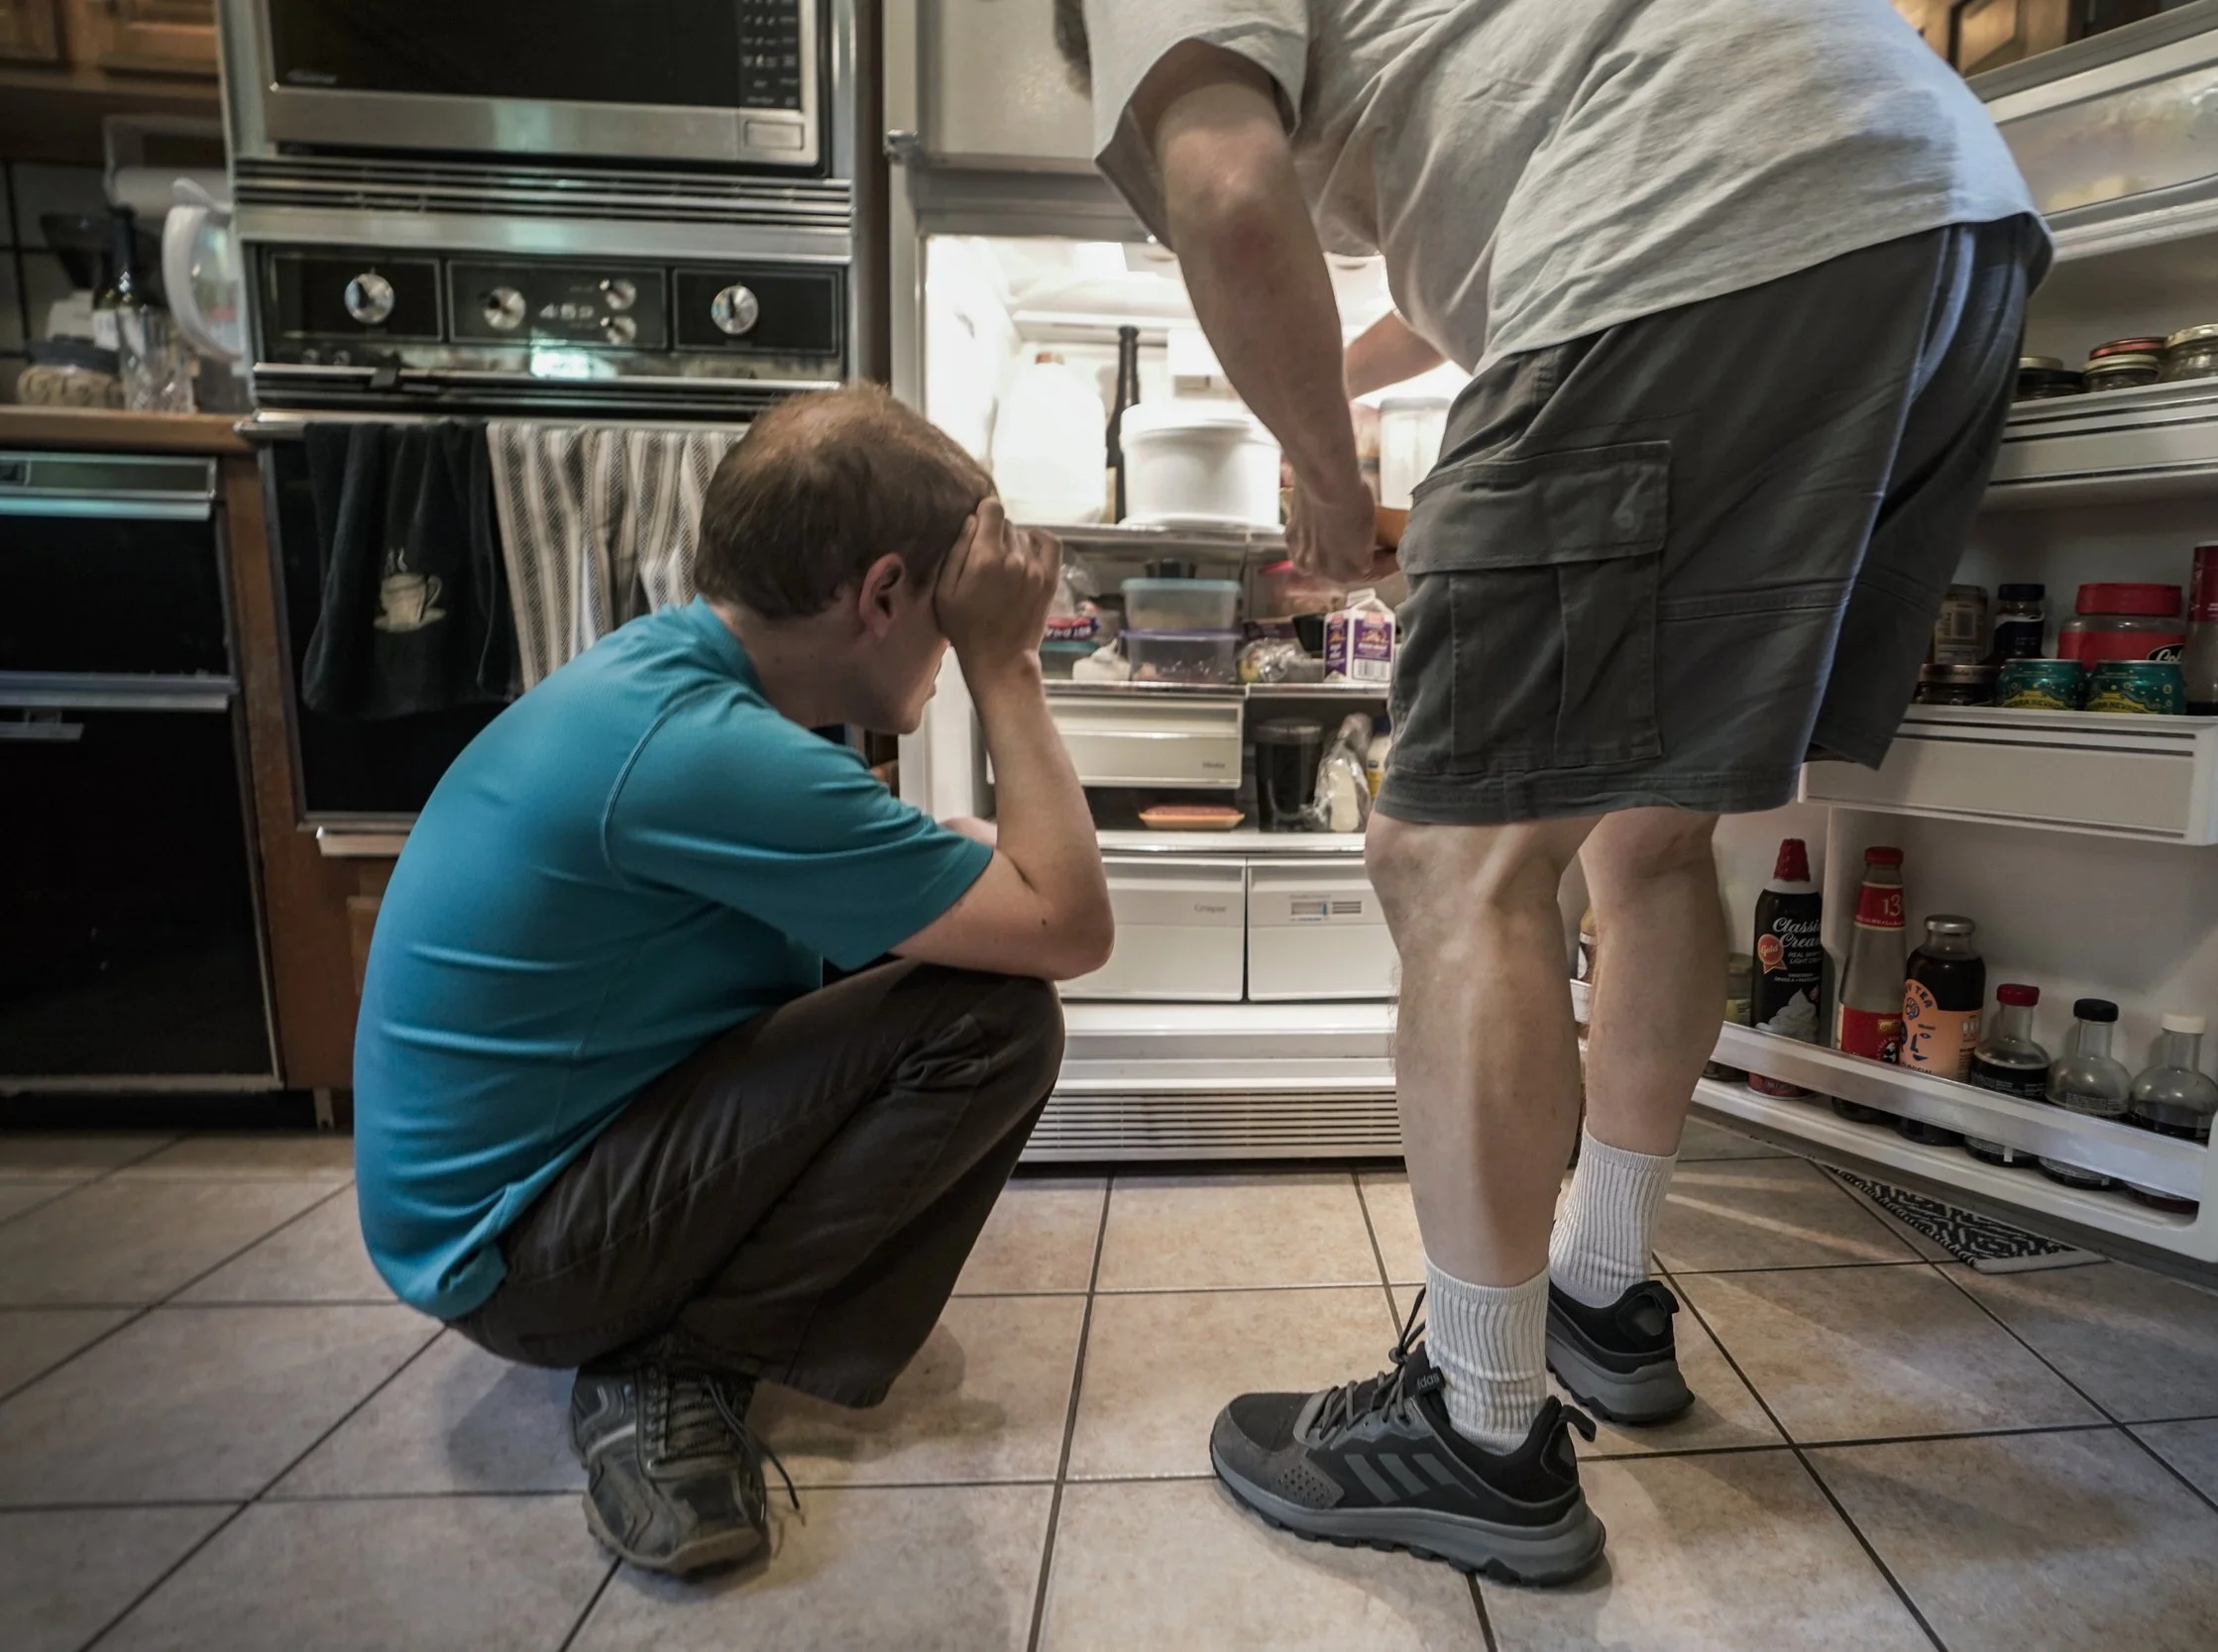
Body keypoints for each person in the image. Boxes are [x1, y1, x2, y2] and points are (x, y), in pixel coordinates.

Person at [1057, 0, 2047, 1584]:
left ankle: (1480, 1425)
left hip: (1698, 230)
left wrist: (1320, 466)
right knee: (1655, 822)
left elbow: (1229, 191)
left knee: (1455, 859)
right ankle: (1598, 1287)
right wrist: (1354, 366)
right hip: (1945, 222)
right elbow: (1516, 236)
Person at [351, 385, 1113, 1576]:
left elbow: (973, 882)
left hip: (526, 1186)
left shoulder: (681, 687)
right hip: (517, 1257)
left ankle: (672, 1329)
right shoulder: (708, 749)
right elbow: (1067, 924)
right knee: (989, 1017)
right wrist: (1008, 661)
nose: (957, 644)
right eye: (949, 617)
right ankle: (672, 1363)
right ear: (882, 595)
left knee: (936, 946)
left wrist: (979, 858)